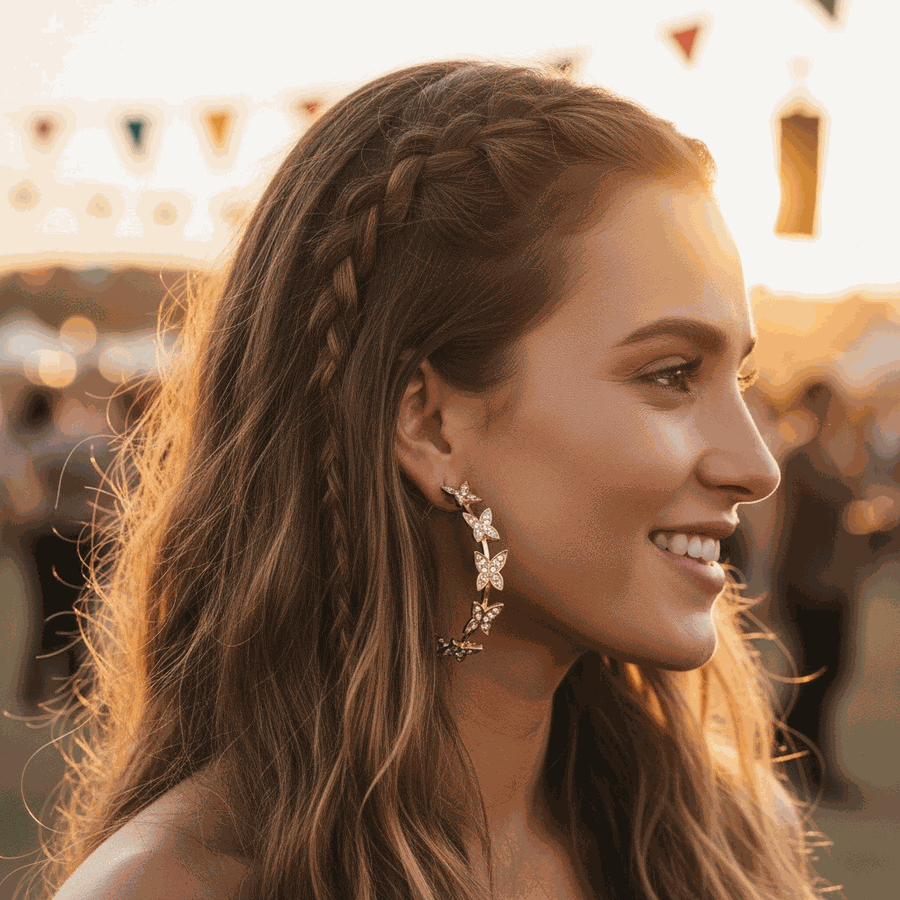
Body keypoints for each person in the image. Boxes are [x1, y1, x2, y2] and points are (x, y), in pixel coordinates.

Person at [27, 58, 844, 900]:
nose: (755, 467)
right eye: (671, 374)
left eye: (737, 379)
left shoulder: (728, 844)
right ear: (428, 424)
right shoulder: (175, 890)